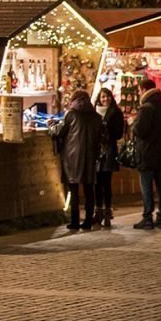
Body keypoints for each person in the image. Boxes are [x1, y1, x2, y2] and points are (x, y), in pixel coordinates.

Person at [52, 90, 102, 230]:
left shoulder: (71, 114)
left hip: (72, 158)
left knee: (73, 190)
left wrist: (51, 126)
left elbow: (59, 131)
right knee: (89, 190)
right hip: (90, 156)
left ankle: (74, 221)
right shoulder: (96, 117)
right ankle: (87, 221)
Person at [132, 79, 161, 230]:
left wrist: (132, 124)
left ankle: (147, 217)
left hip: (147, 154)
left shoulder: (146, 108)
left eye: (139, 90)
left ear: (143, 90)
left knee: (146, 186)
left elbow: (140, 131)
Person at [94, 88, 125, 227]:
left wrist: (108, 129)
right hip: (95, 151)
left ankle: (107, 211)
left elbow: (119, 133)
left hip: (109, 150)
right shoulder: (93, 112)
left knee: (106, 182)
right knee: (96, 183)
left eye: (107, 96)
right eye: (103, 97)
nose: (105, 99)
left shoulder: (116, 112)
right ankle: (98, 210)